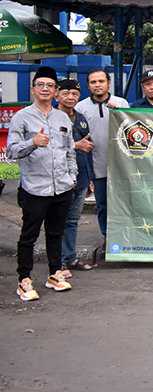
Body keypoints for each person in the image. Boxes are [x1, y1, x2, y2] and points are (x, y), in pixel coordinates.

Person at [8, 67, 77, 301]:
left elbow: (70, 150)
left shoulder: (62, 117)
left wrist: (72, 177)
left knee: (56, 233)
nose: (45, 89)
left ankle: (54, 273)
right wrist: (33, 143)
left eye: (50, 85)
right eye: (41, 85)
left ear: (56, 91)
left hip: (62, 187)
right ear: (33, 89)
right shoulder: (21, 117)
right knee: (29, 235)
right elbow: (11, 150)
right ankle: (24, 279)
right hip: (35, 188)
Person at [75, 68, 129, 241]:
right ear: (88, 85)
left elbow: (131, 131)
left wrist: (119, 113)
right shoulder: (80, 107)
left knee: (123, 205)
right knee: (103, 206)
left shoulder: (121, 103)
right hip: (96, 167)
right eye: (93, 82)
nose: (97, 85)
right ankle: (108, 239)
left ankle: (124, 239)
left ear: (109, 83)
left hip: (121, 167)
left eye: (101, 81)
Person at [56, 79, 94, 277]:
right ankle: (58, 262)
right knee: (58, 221)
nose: (70, 97)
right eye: (65, 93)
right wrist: (75, 146)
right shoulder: (51, 118)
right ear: (56, 95)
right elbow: (50, 147)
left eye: (74, 94)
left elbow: (88, 148)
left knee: (72, 220)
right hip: (60, 179)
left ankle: (70, 257)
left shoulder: (80, 118)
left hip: (81, 178)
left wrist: (89, 178)